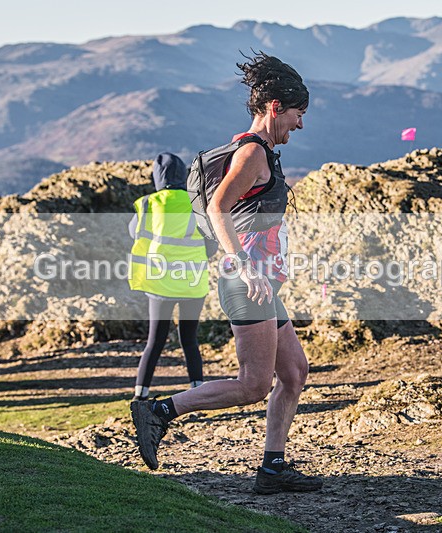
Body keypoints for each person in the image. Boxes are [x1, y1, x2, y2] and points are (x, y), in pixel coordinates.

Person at [130, 52, 322, 495]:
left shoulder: (262, 152)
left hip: (262, 285)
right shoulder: (252, 152)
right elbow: (218, 208)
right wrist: (244, 265)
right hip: (246, 283)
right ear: (275, 107)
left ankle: (273, 469)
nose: (300, 124)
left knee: (294, 372)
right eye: (298, 114)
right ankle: (158, 411)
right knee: (253, 385)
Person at [128, 153, 216, 401]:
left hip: (160, 283)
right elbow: (211, 246)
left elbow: (134, 233)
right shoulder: (197, 203)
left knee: (154, 341)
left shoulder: (148, 204)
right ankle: (197, 390)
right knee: (189, 339)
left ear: (157, 177)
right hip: (193, 284)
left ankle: (140, 394)